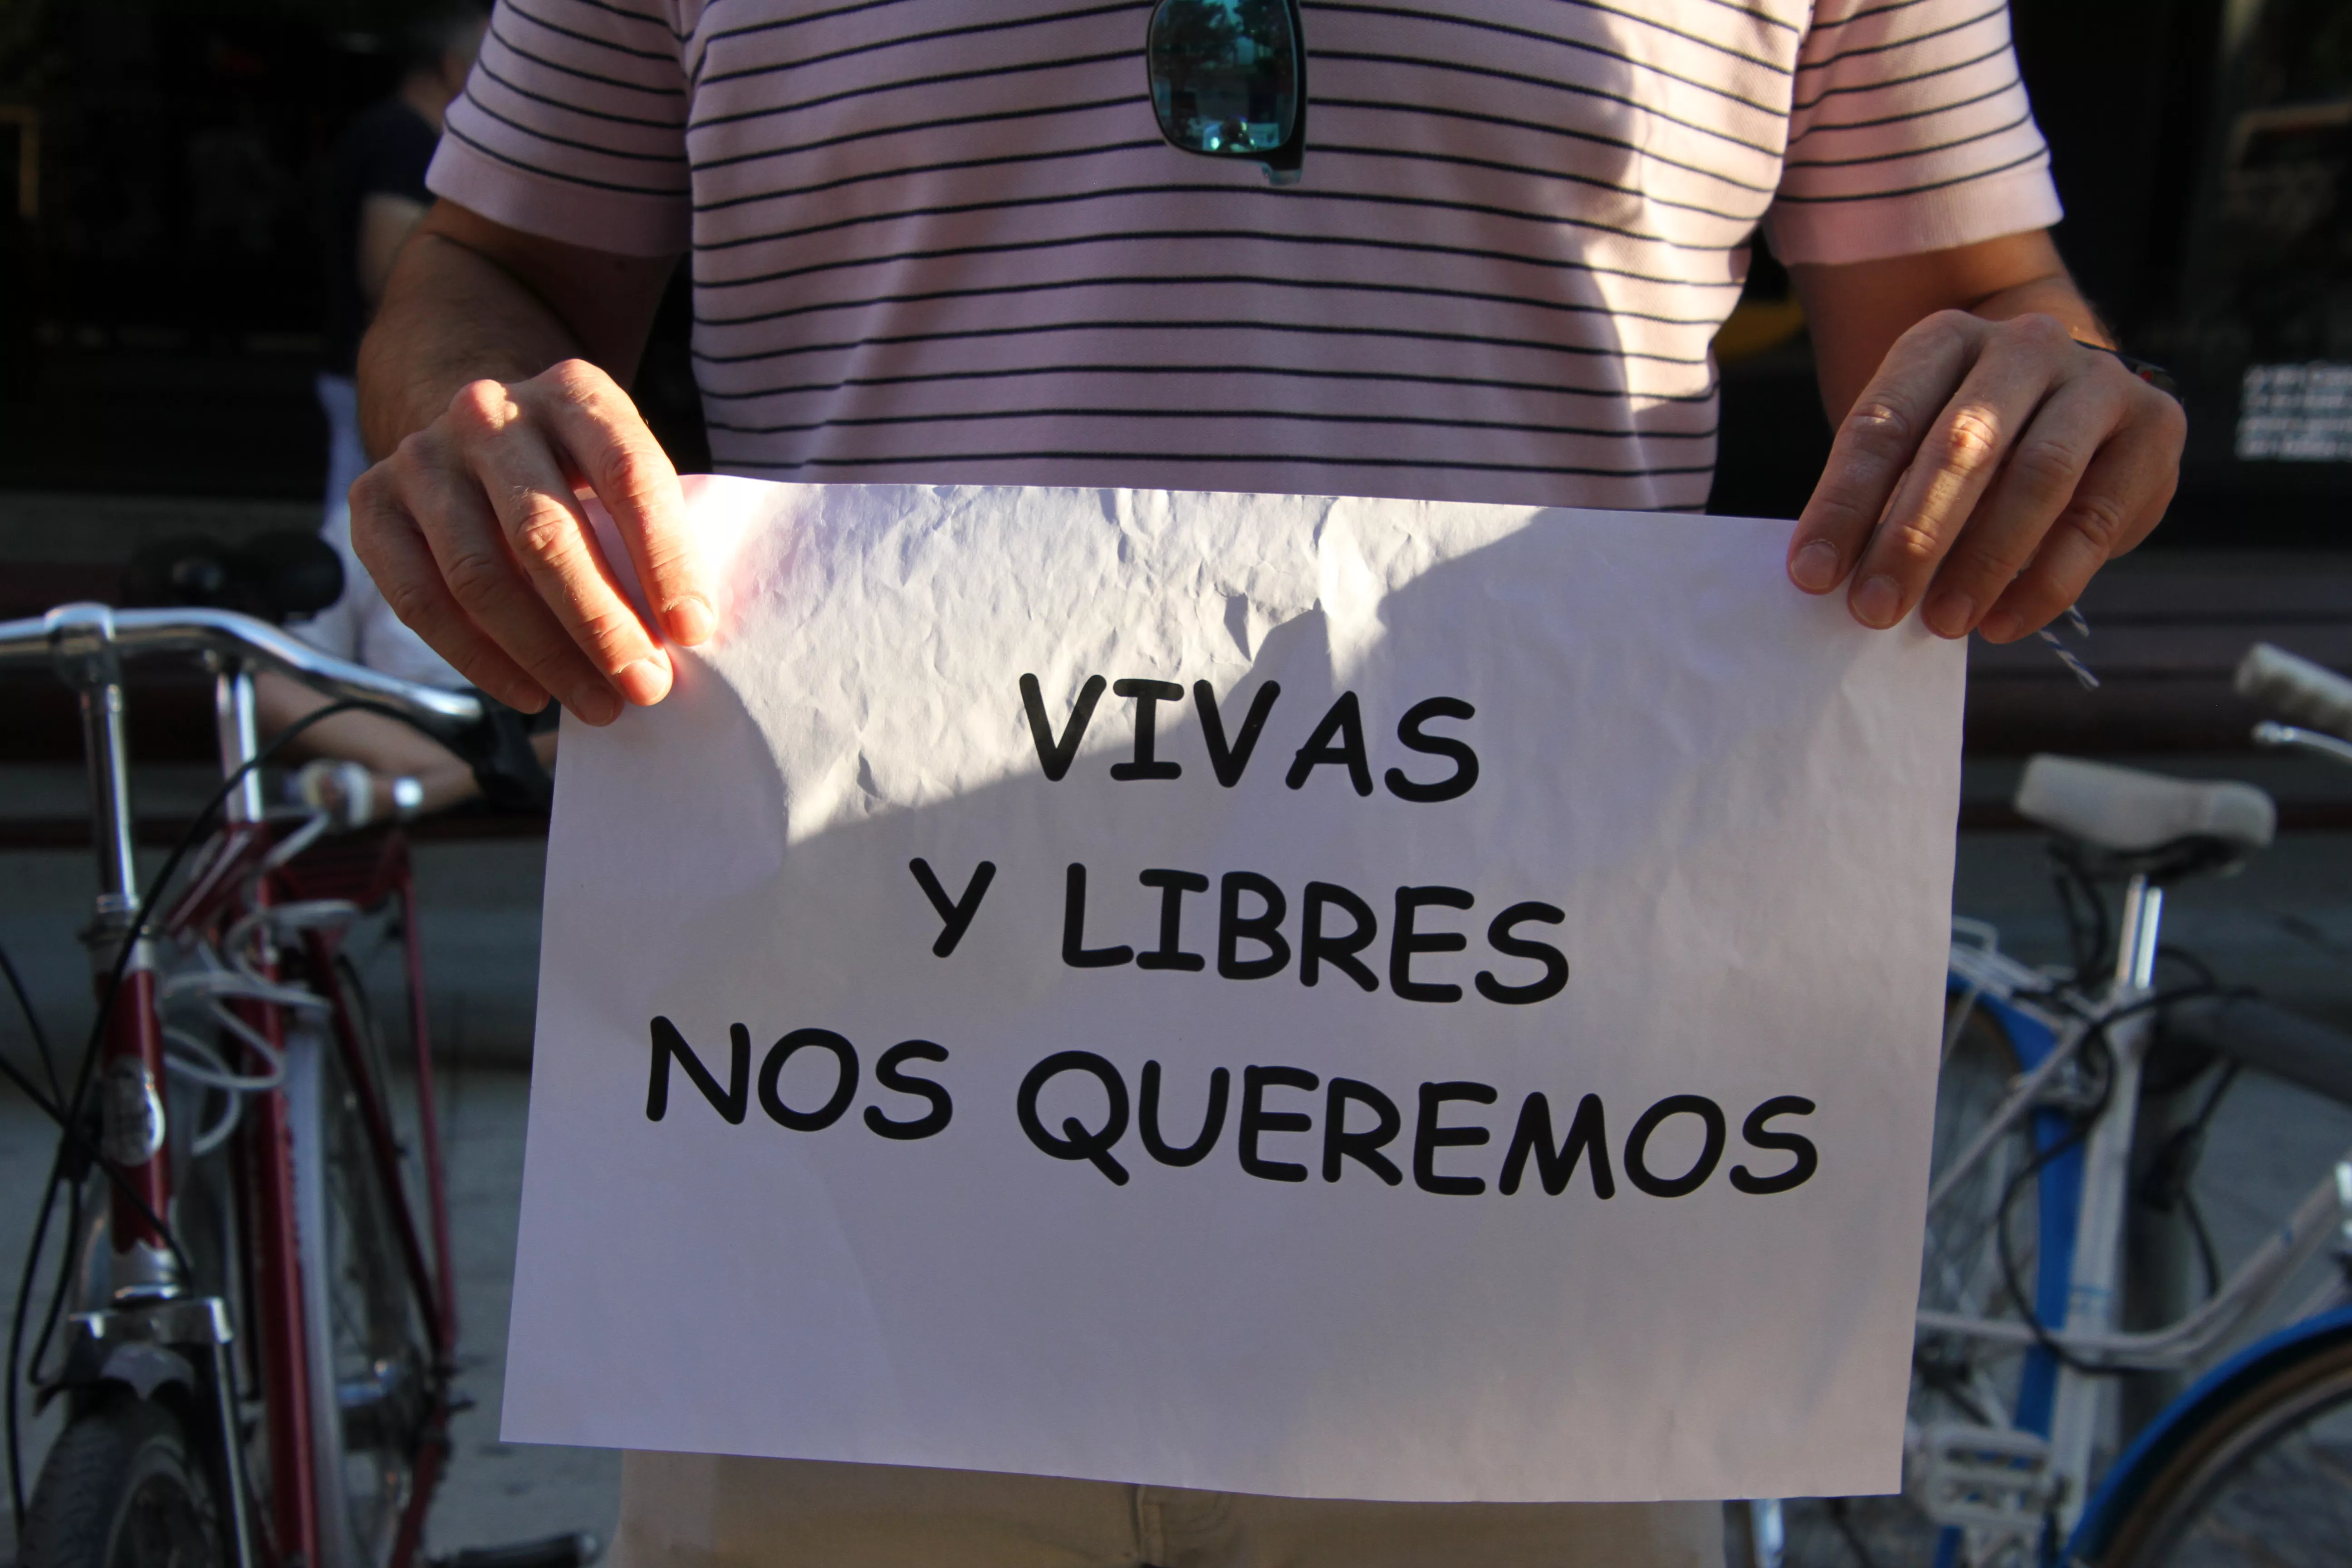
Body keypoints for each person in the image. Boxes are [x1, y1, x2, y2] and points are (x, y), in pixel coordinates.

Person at [348, 0, 2187, 1561]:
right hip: (855, 1200)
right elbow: (490, 265)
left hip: (1519, 1231)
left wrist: (2044, 400)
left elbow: (1981, 298)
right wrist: (471, 421)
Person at [259, 0, 497, 819]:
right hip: (396, 391)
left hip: (505, 705)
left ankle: (418, 786)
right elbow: (385, 272)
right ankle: (445, 780)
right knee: (372, 541)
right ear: (453, 68)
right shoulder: (404, 142)